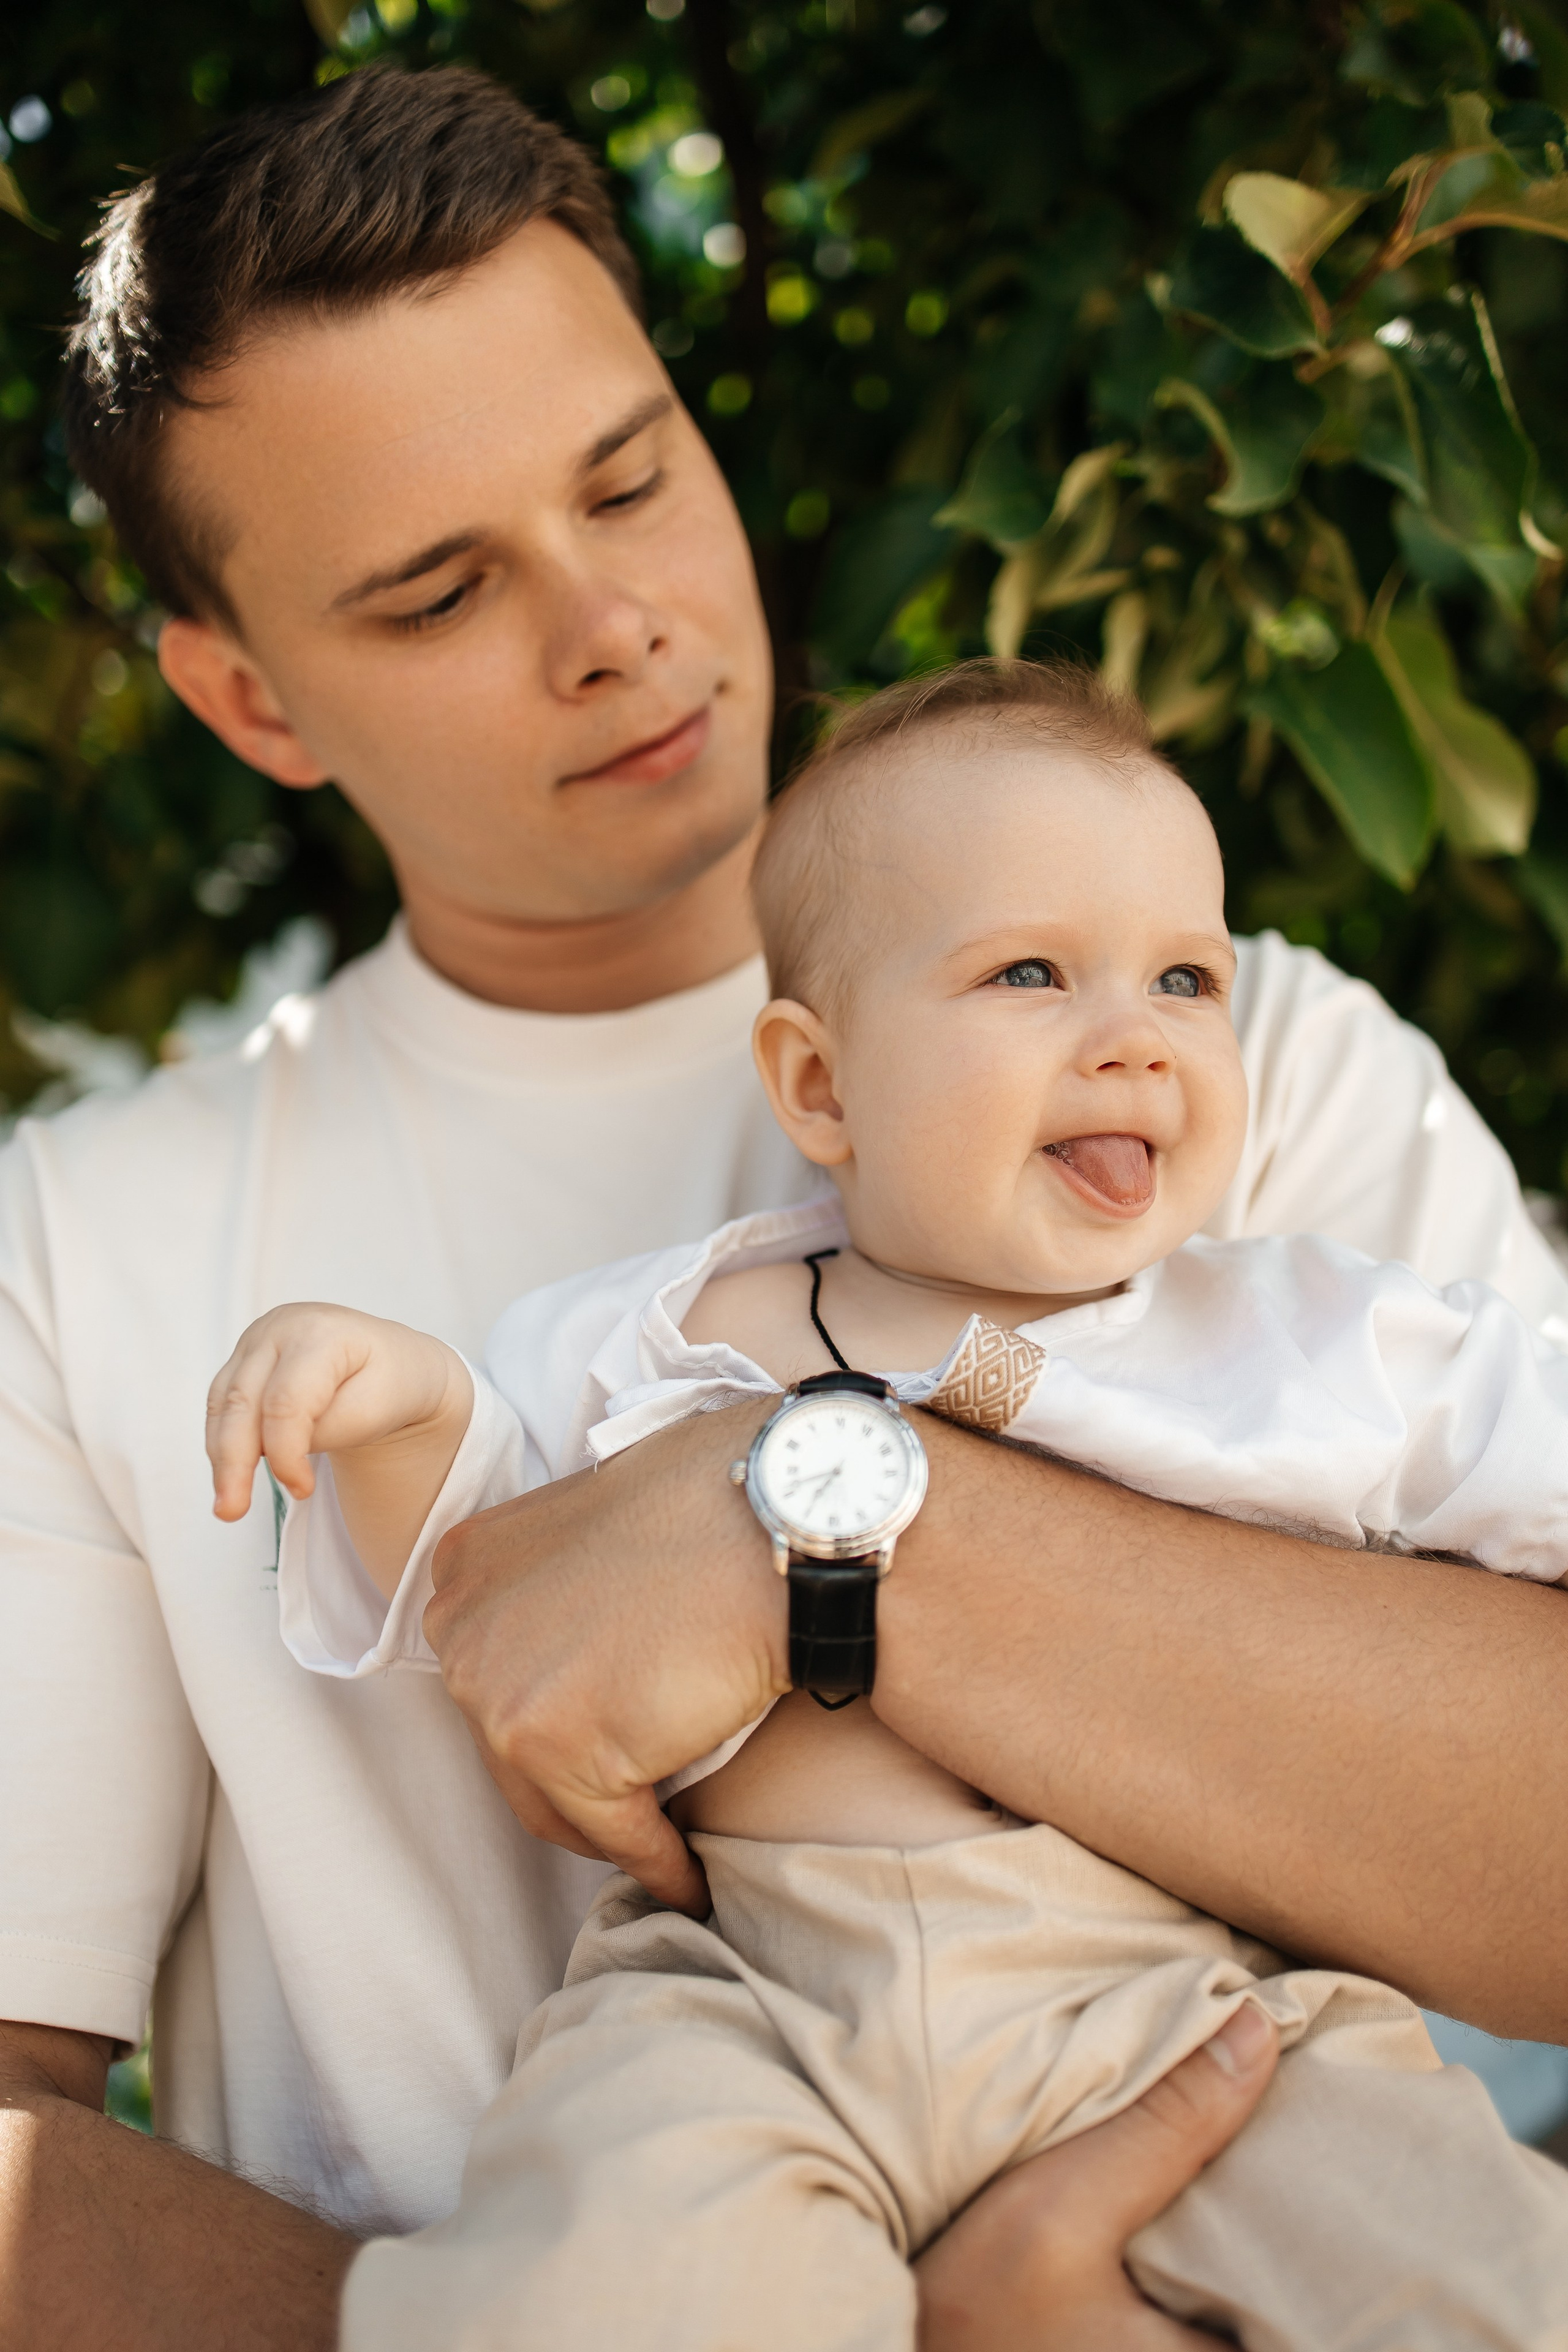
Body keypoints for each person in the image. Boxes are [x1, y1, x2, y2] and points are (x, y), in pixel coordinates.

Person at [0, 60, 1564, 2351]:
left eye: (632, 477)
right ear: (250, 701)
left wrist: (810, 1521)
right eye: (438, 593)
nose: (611, 623)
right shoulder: (80, 1243)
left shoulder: (1236, 1062)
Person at [210, 657, 1568, 2351]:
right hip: (758, 1997)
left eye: (1183, 978)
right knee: (582, 2293)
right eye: (1029, 973)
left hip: (1183, 1991)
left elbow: (1535, 1450)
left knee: (1473, 2274)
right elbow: (489, 1585)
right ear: (822, 1087)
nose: (1134, 1036)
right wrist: (395, 1413)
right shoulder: (686, 1328)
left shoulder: (1309, 1335)